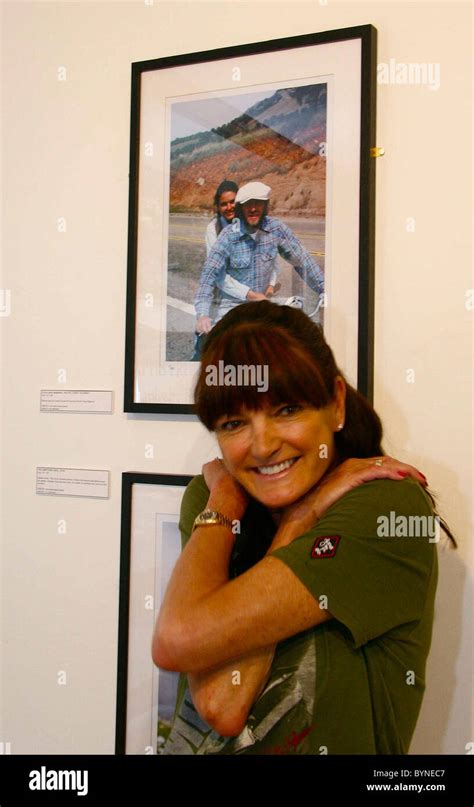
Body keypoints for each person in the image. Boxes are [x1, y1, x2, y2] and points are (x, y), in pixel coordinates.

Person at [153, 301, 454, 755]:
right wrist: (280, 518)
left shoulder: (382, 510)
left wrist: (296, 518)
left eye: (287, 409)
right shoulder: (218, 500)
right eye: (235, 423)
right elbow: (220, 704)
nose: (264, 445)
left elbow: (179, 640)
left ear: (335, 404)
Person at [194, 181, 320, 334]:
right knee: (216, 345)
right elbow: (210, 274)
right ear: (241, 208)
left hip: (262, 305)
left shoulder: (276, 229)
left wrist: (323, 288)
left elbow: (303, 260)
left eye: (258, 203)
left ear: (266, 206)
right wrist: (202, 315)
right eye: (248, 204)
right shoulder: (227, 234)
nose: (253, 208)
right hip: (232, 306)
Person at [196, 180, 278, 339]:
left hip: (254, 295)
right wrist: (251, 295)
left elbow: (270, 257)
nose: (229, 207)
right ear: (218, 207)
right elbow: (218, 275)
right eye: (223, 204)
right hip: (223, 295)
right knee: (209, 340)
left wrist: (271, 284)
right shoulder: (213, 229)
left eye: (233, 202)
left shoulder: (254, 222)